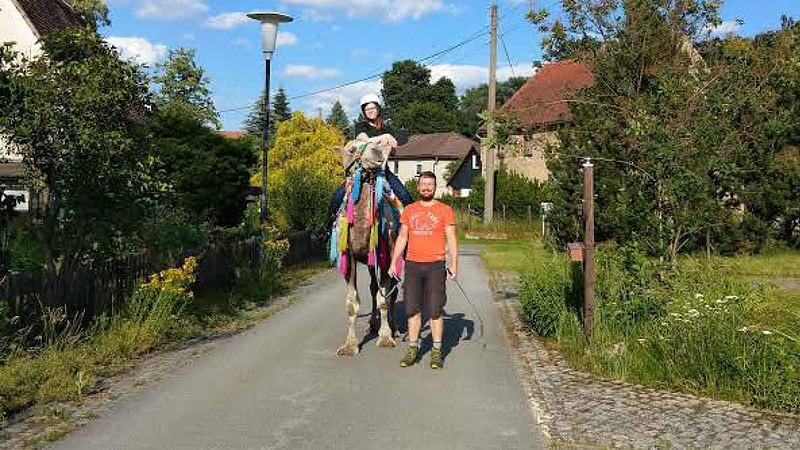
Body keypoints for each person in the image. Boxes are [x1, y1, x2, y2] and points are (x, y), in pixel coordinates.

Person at [388, 171, 458, 369]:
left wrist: (454, 264)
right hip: (412, 265)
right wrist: (394, 262)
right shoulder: (409, 210)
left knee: (435, 310)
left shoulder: (445, 210)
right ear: (418, 187)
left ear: (435, 187)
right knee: (412, 309)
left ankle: (436, 352)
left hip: (436, 265)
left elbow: (452, 239)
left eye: (430, 184)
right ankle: (412, 349)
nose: (426, 187)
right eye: (423, 184)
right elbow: (402, 238)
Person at [327, 94, 412, 221]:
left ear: (378, 109)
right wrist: (384, 137)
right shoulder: (361, 126)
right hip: (361, 170)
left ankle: (413, 227)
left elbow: (394, 150)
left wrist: (390, 146)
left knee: (404, 195)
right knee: (338, 196)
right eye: (367, 109)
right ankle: (326, 228)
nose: (370, 111)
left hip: (382, 170)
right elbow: (364, 140)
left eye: (373, 108)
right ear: (364, 112)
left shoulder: (387, 128)